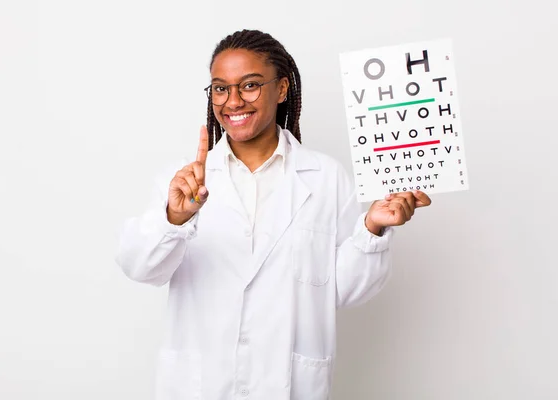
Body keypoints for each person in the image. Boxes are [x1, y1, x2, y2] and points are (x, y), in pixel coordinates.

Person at [116, 29, 431, 400]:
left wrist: (372, 229)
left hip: (287, 386)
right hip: (201, 386)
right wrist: (174, 218)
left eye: (249, 85)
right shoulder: (183, 182)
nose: (232, 101)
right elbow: (140, 267)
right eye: (220, 88)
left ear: (281, 89)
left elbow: (344, 291)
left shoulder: (326, 178)